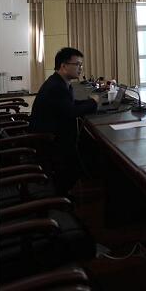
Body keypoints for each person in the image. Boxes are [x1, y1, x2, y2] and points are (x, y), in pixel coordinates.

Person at [29, 47, 99, 195]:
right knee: (90, 148)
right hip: (51, 143)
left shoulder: (59, 82)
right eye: (77, 64)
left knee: (89, 145)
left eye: (81, 65)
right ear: (63, 66)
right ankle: (64, 193)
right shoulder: (57, 87)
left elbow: (68, 105)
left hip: (53, 136)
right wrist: (92, 103)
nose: (80, 68)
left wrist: (89, 102)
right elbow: (71, 112)